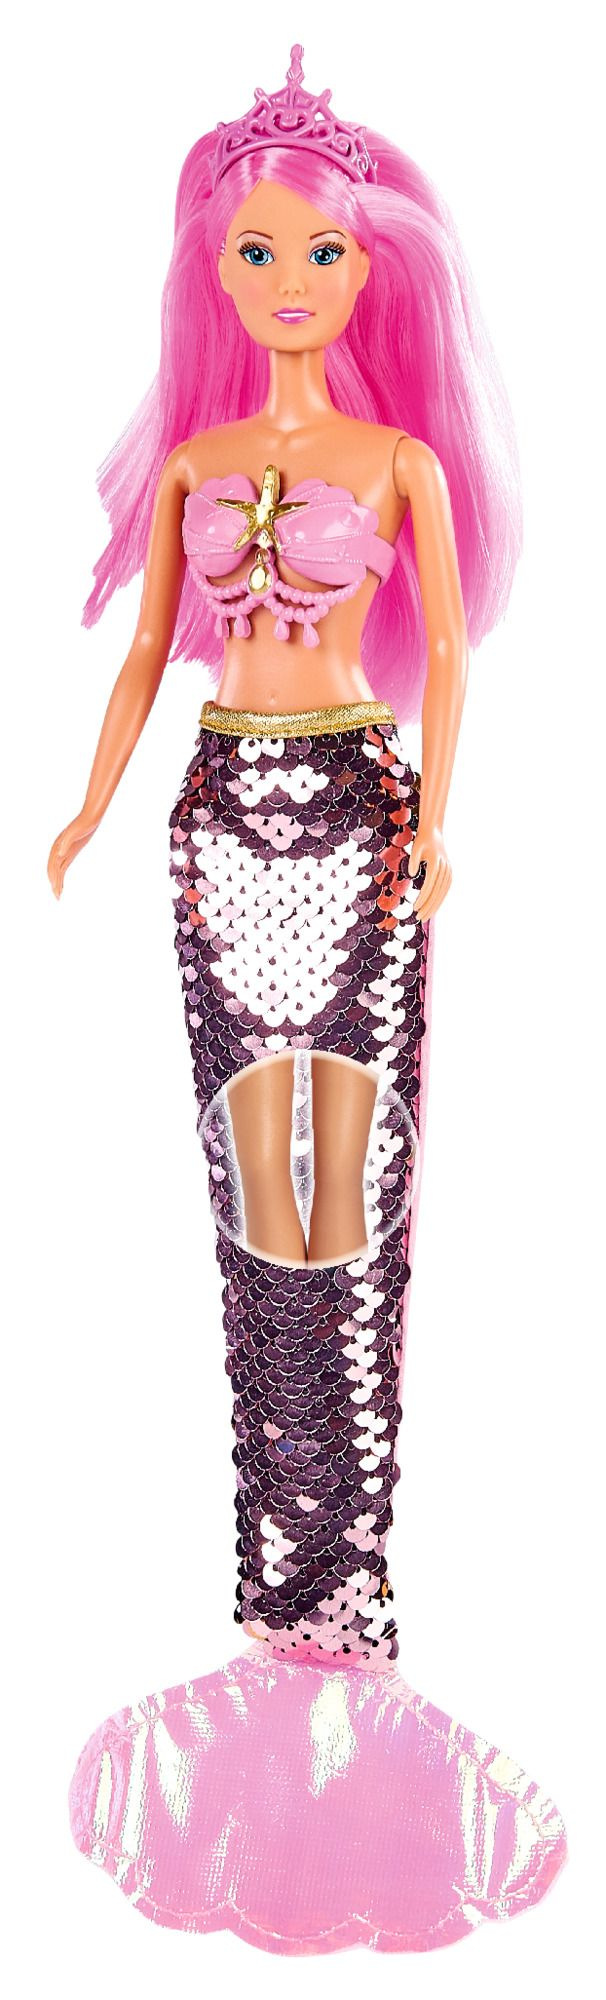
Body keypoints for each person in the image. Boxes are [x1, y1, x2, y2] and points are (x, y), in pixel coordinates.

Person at [49, 42, 567, 1957]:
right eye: (257, 255)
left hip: (357, 813)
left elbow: (453, 675)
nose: (290, 283)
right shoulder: (199, 465)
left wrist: (438, 827)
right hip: (214, 823)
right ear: (217, 271)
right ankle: (276, 1613)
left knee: (350, 1202)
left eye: (323, 256)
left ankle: (346, 1617)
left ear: (371, 272)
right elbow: (144, 661)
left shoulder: (399, 465)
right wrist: (91, 802)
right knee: (244, 1199)